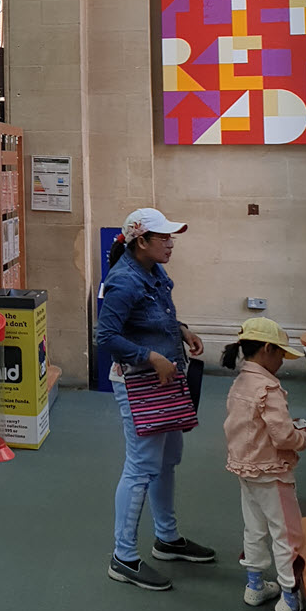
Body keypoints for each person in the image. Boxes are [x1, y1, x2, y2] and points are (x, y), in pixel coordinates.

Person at [96, 207, 215, 591]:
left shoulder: (153, 271)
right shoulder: (123, 281)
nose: (170, 243)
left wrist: (180, 330)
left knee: (166, 460)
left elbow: (151, 316)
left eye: (170, 237)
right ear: (140, 241)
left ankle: (167, 538)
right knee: (142, 467)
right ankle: (123, 557)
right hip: (139, 383)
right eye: (163, 237)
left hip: (163, 381)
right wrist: (150, 356)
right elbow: (106, 336)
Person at [222, 317, 306, 611]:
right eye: (280, 354)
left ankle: (255, 585)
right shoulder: (268, 388)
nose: (282, 362)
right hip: (273, 473)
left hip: (245, 469)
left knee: (254, 527)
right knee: (287, 533)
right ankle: (289, 597)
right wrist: (303, 437)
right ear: (266, 349)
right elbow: (283, 436)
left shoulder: (240, 382)